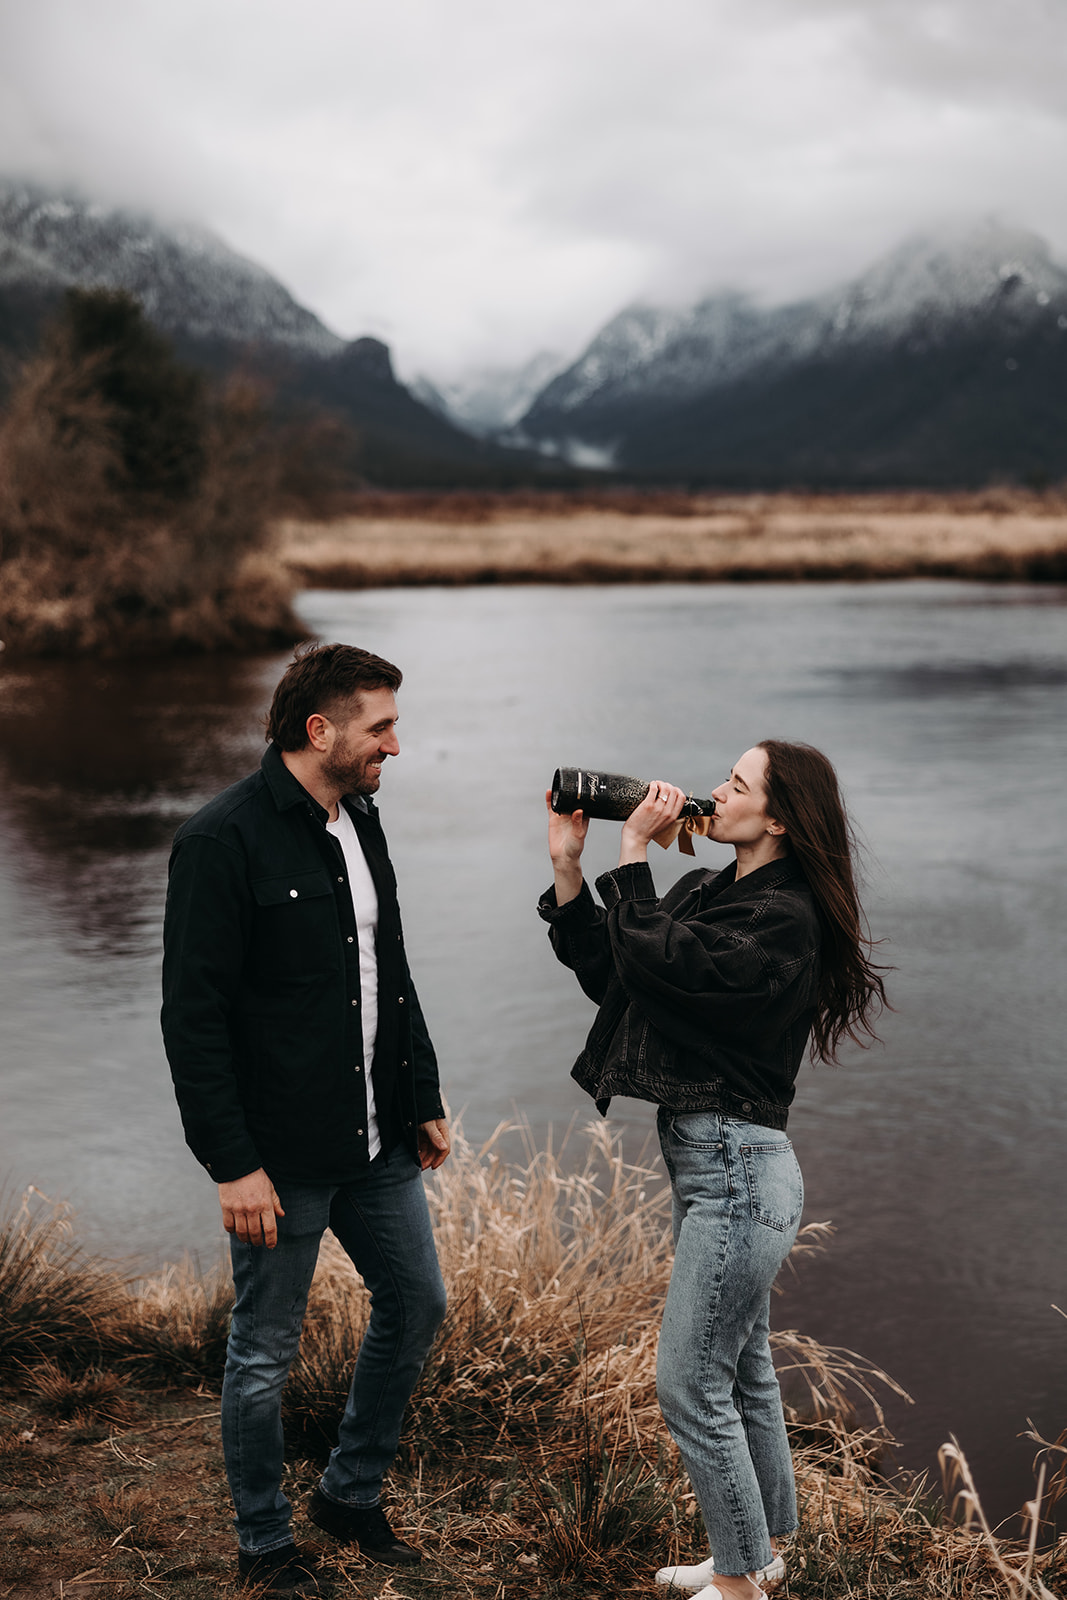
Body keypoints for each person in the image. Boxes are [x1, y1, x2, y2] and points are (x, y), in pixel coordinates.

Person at [539, 741, 886, 1600]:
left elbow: (675, 968)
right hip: (716, 1166)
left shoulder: (785, 918)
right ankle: (759, 1554)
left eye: (737, 784)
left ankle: (737, 1587)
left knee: (688, 1382)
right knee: (742, 1370)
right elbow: (617, 975)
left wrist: (632, 860)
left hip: (739, 1166)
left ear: (776, 818)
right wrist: (572, 868)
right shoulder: (709, 889)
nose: (714, 790)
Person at [162, 643, 450, 1597]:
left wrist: (424, 1096)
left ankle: (349, 1493)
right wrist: (231, 1164)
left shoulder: (359, 822)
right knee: (262, 1355)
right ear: (318, 731)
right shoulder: (220, 841)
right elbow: (191, 1020)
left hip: (376, 1142)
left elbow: (389, 976)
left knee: (417, 1304)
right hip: (279, 1161)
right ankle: (263, 1545)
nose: (395, 747)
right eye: (381, 728)